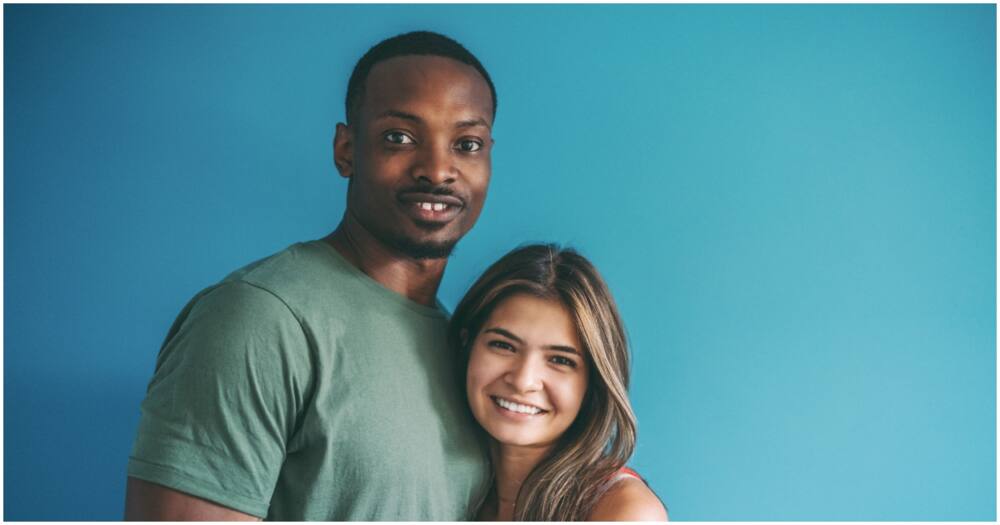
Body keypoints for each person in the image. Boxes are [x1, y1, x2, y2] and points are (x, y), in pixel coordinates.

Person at [125, 31, 497, 520]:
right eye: (399, 138)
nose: (437, 169)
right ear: (346, 149)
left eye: (466, 144)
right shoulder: (258, 319)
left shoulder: (473, 352)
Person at [449, 244, 669, 521]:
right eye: (503, 345)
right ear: (467, 345)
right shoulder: (452, 489)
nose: (523, 381)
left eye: (561, 360)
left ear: (593, 383)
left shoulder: (623, 510)